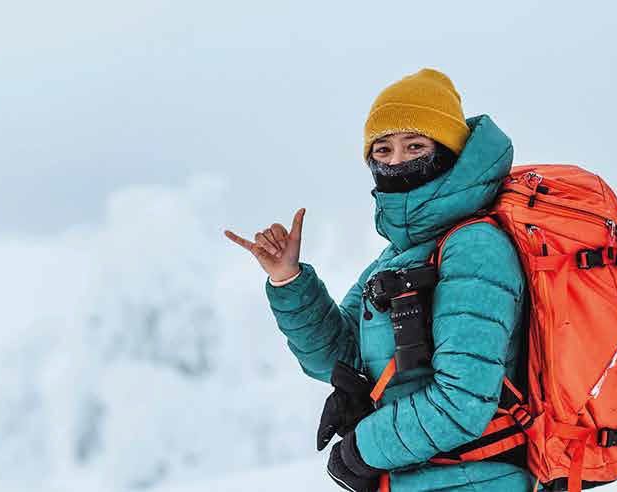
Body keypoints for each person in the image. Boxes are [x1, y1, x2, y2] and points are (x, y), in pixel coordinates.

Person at [224, 68, 531, 491]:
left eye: (415, 146)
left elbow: (462, 403)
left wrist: (361, 449)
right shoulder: (398, 255)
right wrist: (288, 279)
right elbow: (337, 357)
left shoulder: (475, 248)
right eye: (382, 149)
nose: (396, 162)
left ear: (449, 152)